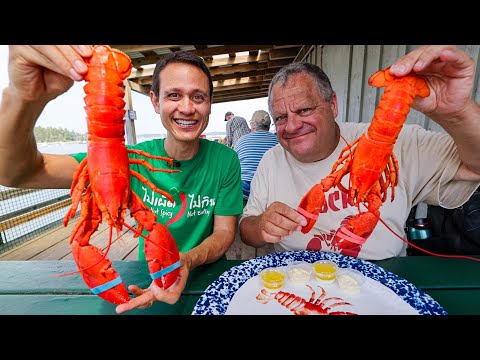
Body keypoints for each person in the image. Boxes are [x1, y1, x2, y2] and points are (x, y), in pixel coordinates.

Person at [0, 46, 244, 313]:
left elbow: (224, 233)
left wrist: (185, 261)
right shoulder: (131, 157)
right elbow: (14, 172)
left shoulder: (226, 160)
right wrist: (21, 96)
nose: (186, 108)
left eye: (198, 97)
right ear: (155, 101)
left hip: (206, 276)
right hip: (148, 278)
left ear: (210, 103)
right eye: (174, 95)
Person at [239, 45, 480, 261]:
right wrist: (261, 225)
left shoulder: (403, 143)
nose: (292, 126)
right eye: (281, 117)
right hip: (298, 280)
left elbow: (474, 167)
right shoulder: (272, 160)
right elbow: (247, 228)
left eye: (304, 110)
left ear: (333, 105)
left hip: (385, 281)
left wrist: (458, 113)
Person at [234, 110, 279, 205]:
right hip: (268, 185)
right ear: (268, 126)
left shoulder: (242, 140)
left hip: (244, 186)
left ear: (252, 125)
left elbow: (235, 164)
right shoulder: (277, 140)